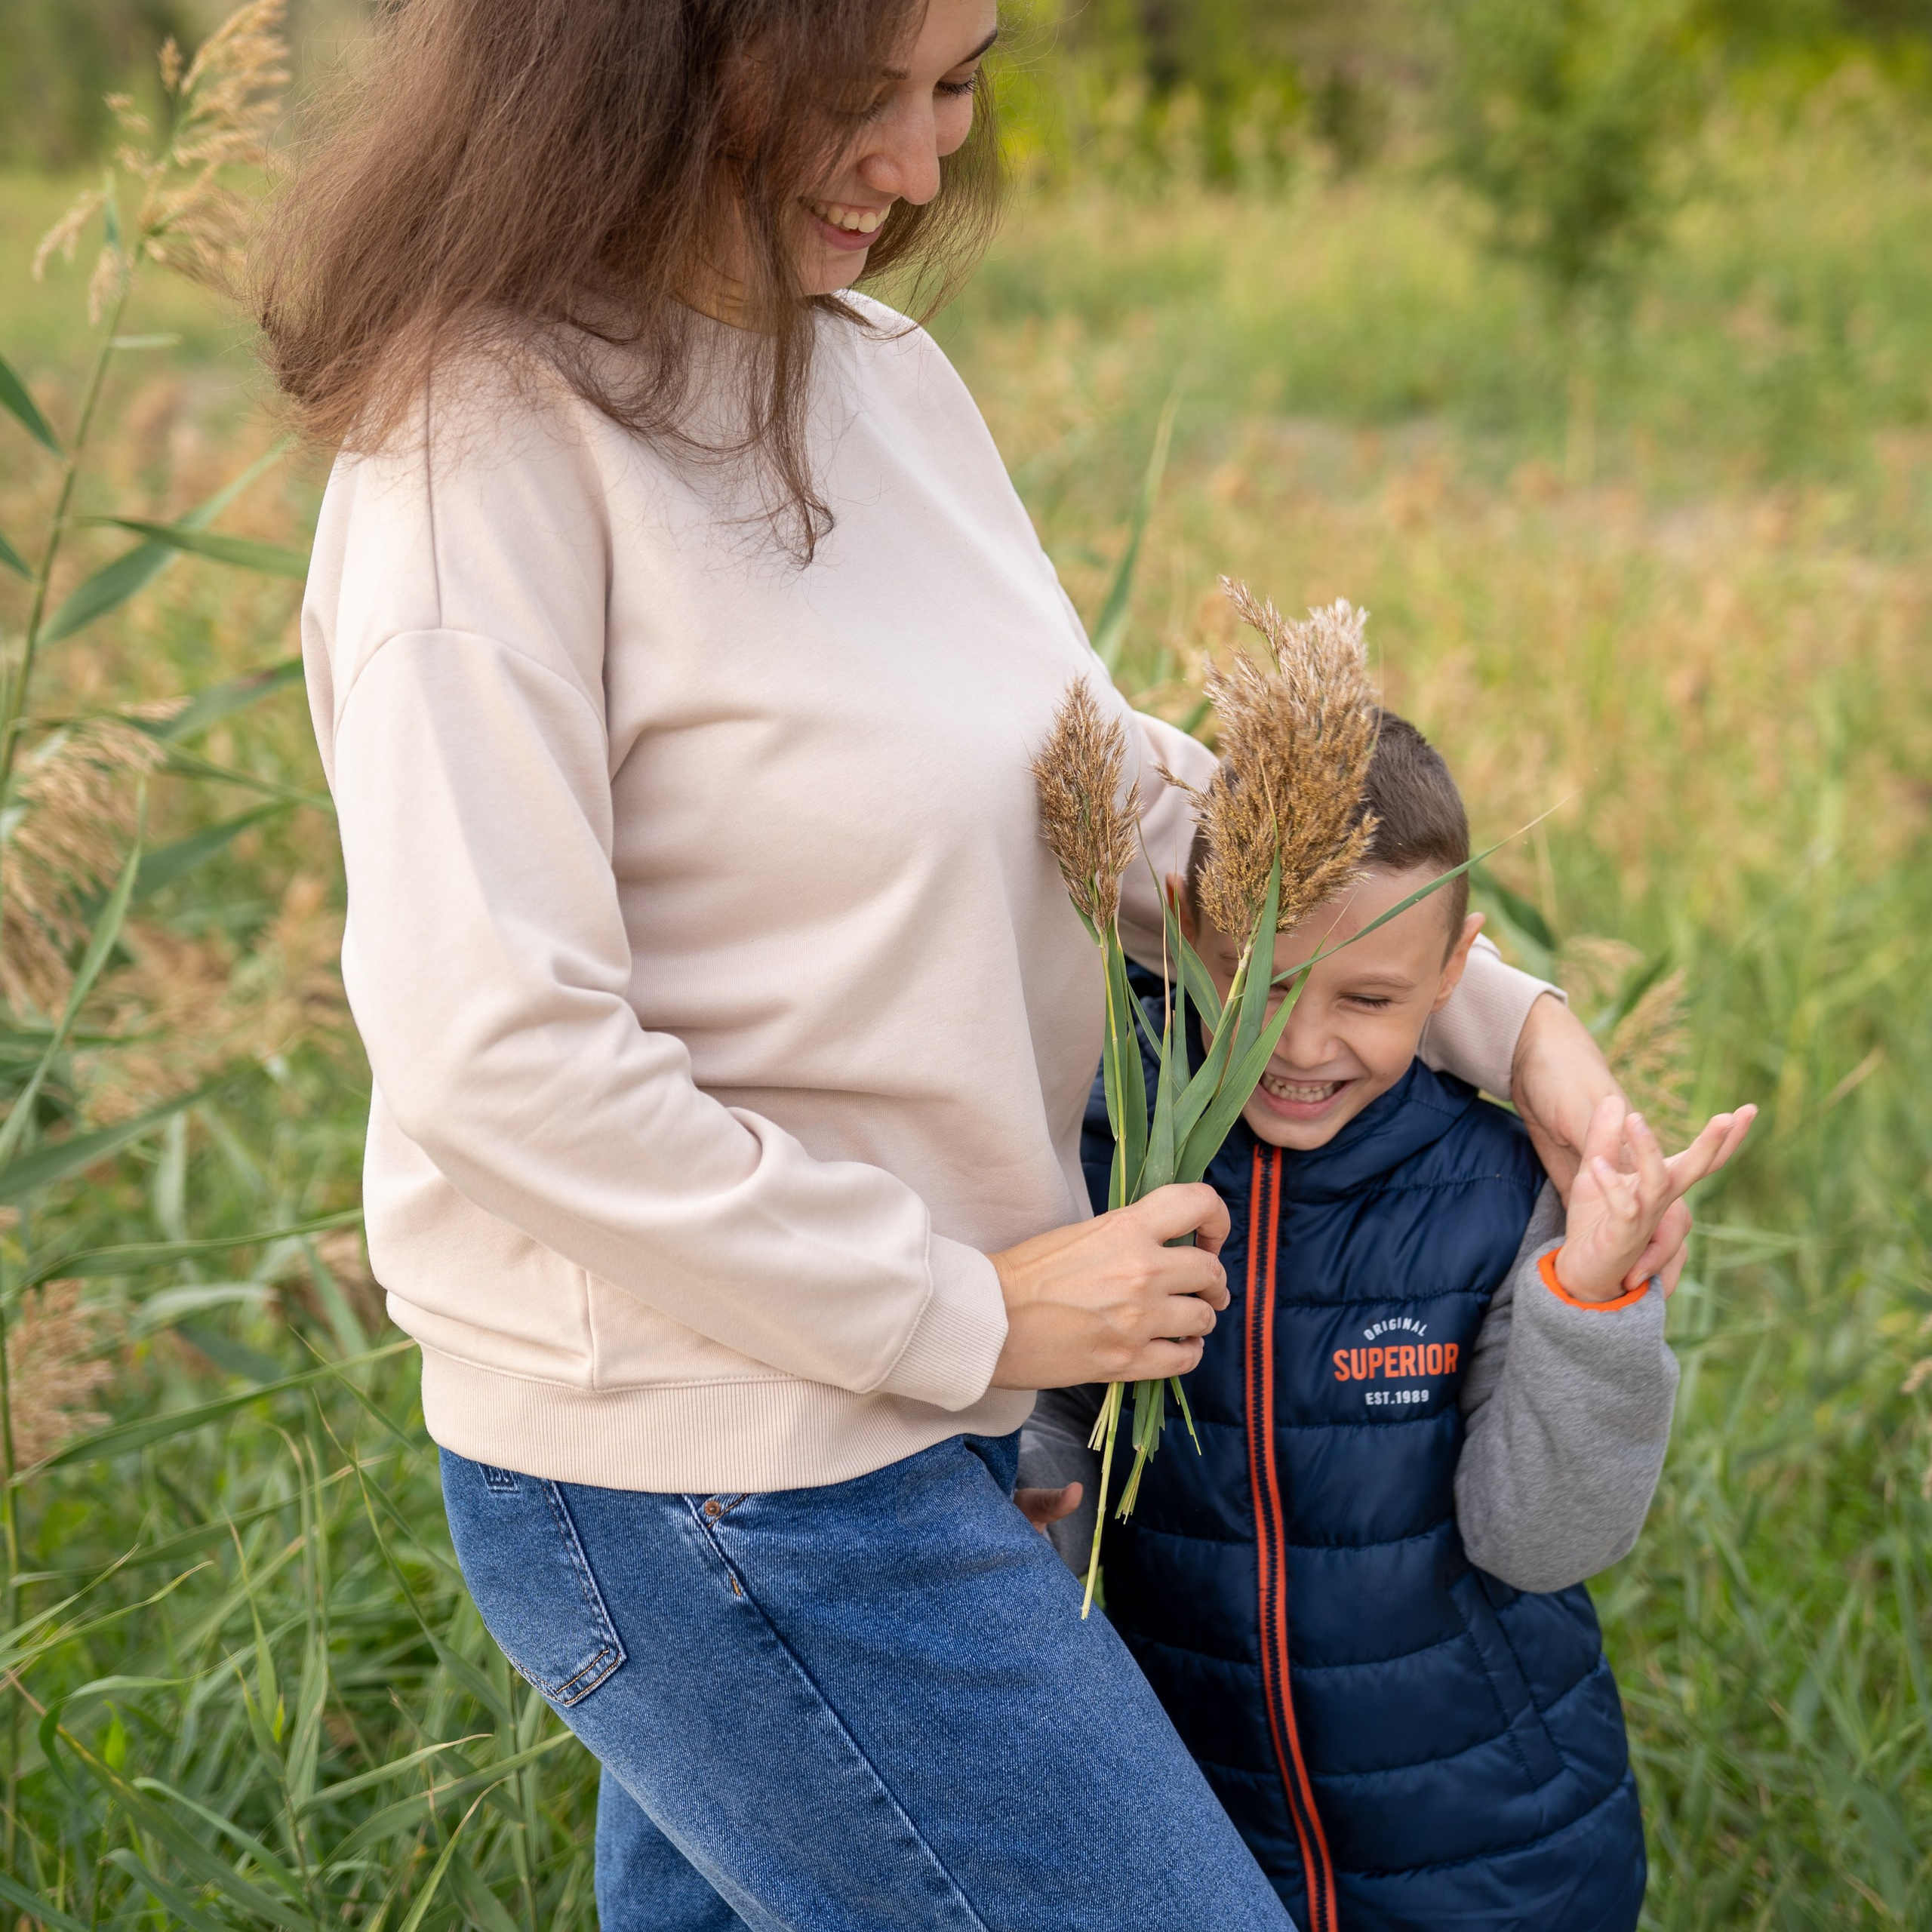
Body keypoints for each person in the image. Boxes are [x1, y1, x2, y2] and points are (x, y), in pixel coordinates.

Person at [266, 0, 1692, 1922]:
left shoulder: (876, 373)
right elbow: (499, 1059)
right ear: (649, 62)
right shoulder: (480, 448)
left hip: (936, 1420)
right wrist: (972, 1312)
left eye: (956, 85)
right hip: (713, 1462)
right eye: (865, 95)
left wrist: (1501, 1022)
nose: (925, 162)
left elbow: (1112, 804)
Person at [1020, 714, 1755, 1932]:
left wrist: (1591, 1300)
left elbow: (1544, 1543)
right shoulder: (1101, 1142)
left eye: (1368, 996)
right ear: (1186, 928)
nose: (1301, 1046)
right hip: (1191, 1833)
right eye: (1264, 984)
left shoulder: (1501, 1193)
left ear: (1457, 969)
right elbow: (1050, 1420)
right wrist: (1037, 1477)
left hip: (1496, 1852)